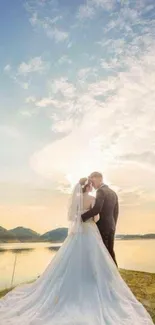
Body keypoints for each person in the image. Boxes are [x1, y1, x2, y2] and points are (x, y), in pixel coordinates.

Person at [0, 178, 153, 325]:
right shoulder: (92, 198)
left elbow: (73, 217)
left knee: (72, 257)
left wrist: (80, 218)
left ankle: (74, 281)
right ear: (88, 186)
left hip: (78, 234)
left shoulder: (75, 200)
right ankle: (94, 281)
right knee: (95, 257)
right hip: (91, 232)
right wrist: (91, 218)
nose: (92, 186)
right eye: (90, 184)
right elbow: (96, 218)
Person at [81, 172, 118, 266]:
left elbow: (97, 209)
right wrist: (113, 225)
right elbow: (116, 212)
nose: (92, 185)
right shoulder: (113, 193)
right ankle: (115, 275)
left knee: (103, 253)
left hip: (102, 226)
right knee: (110, 251)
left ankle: (108, 277)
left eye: (93, 181)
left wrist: (82, 217)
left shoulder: (101, 191)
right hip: (111, 226)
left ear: (99, 179)